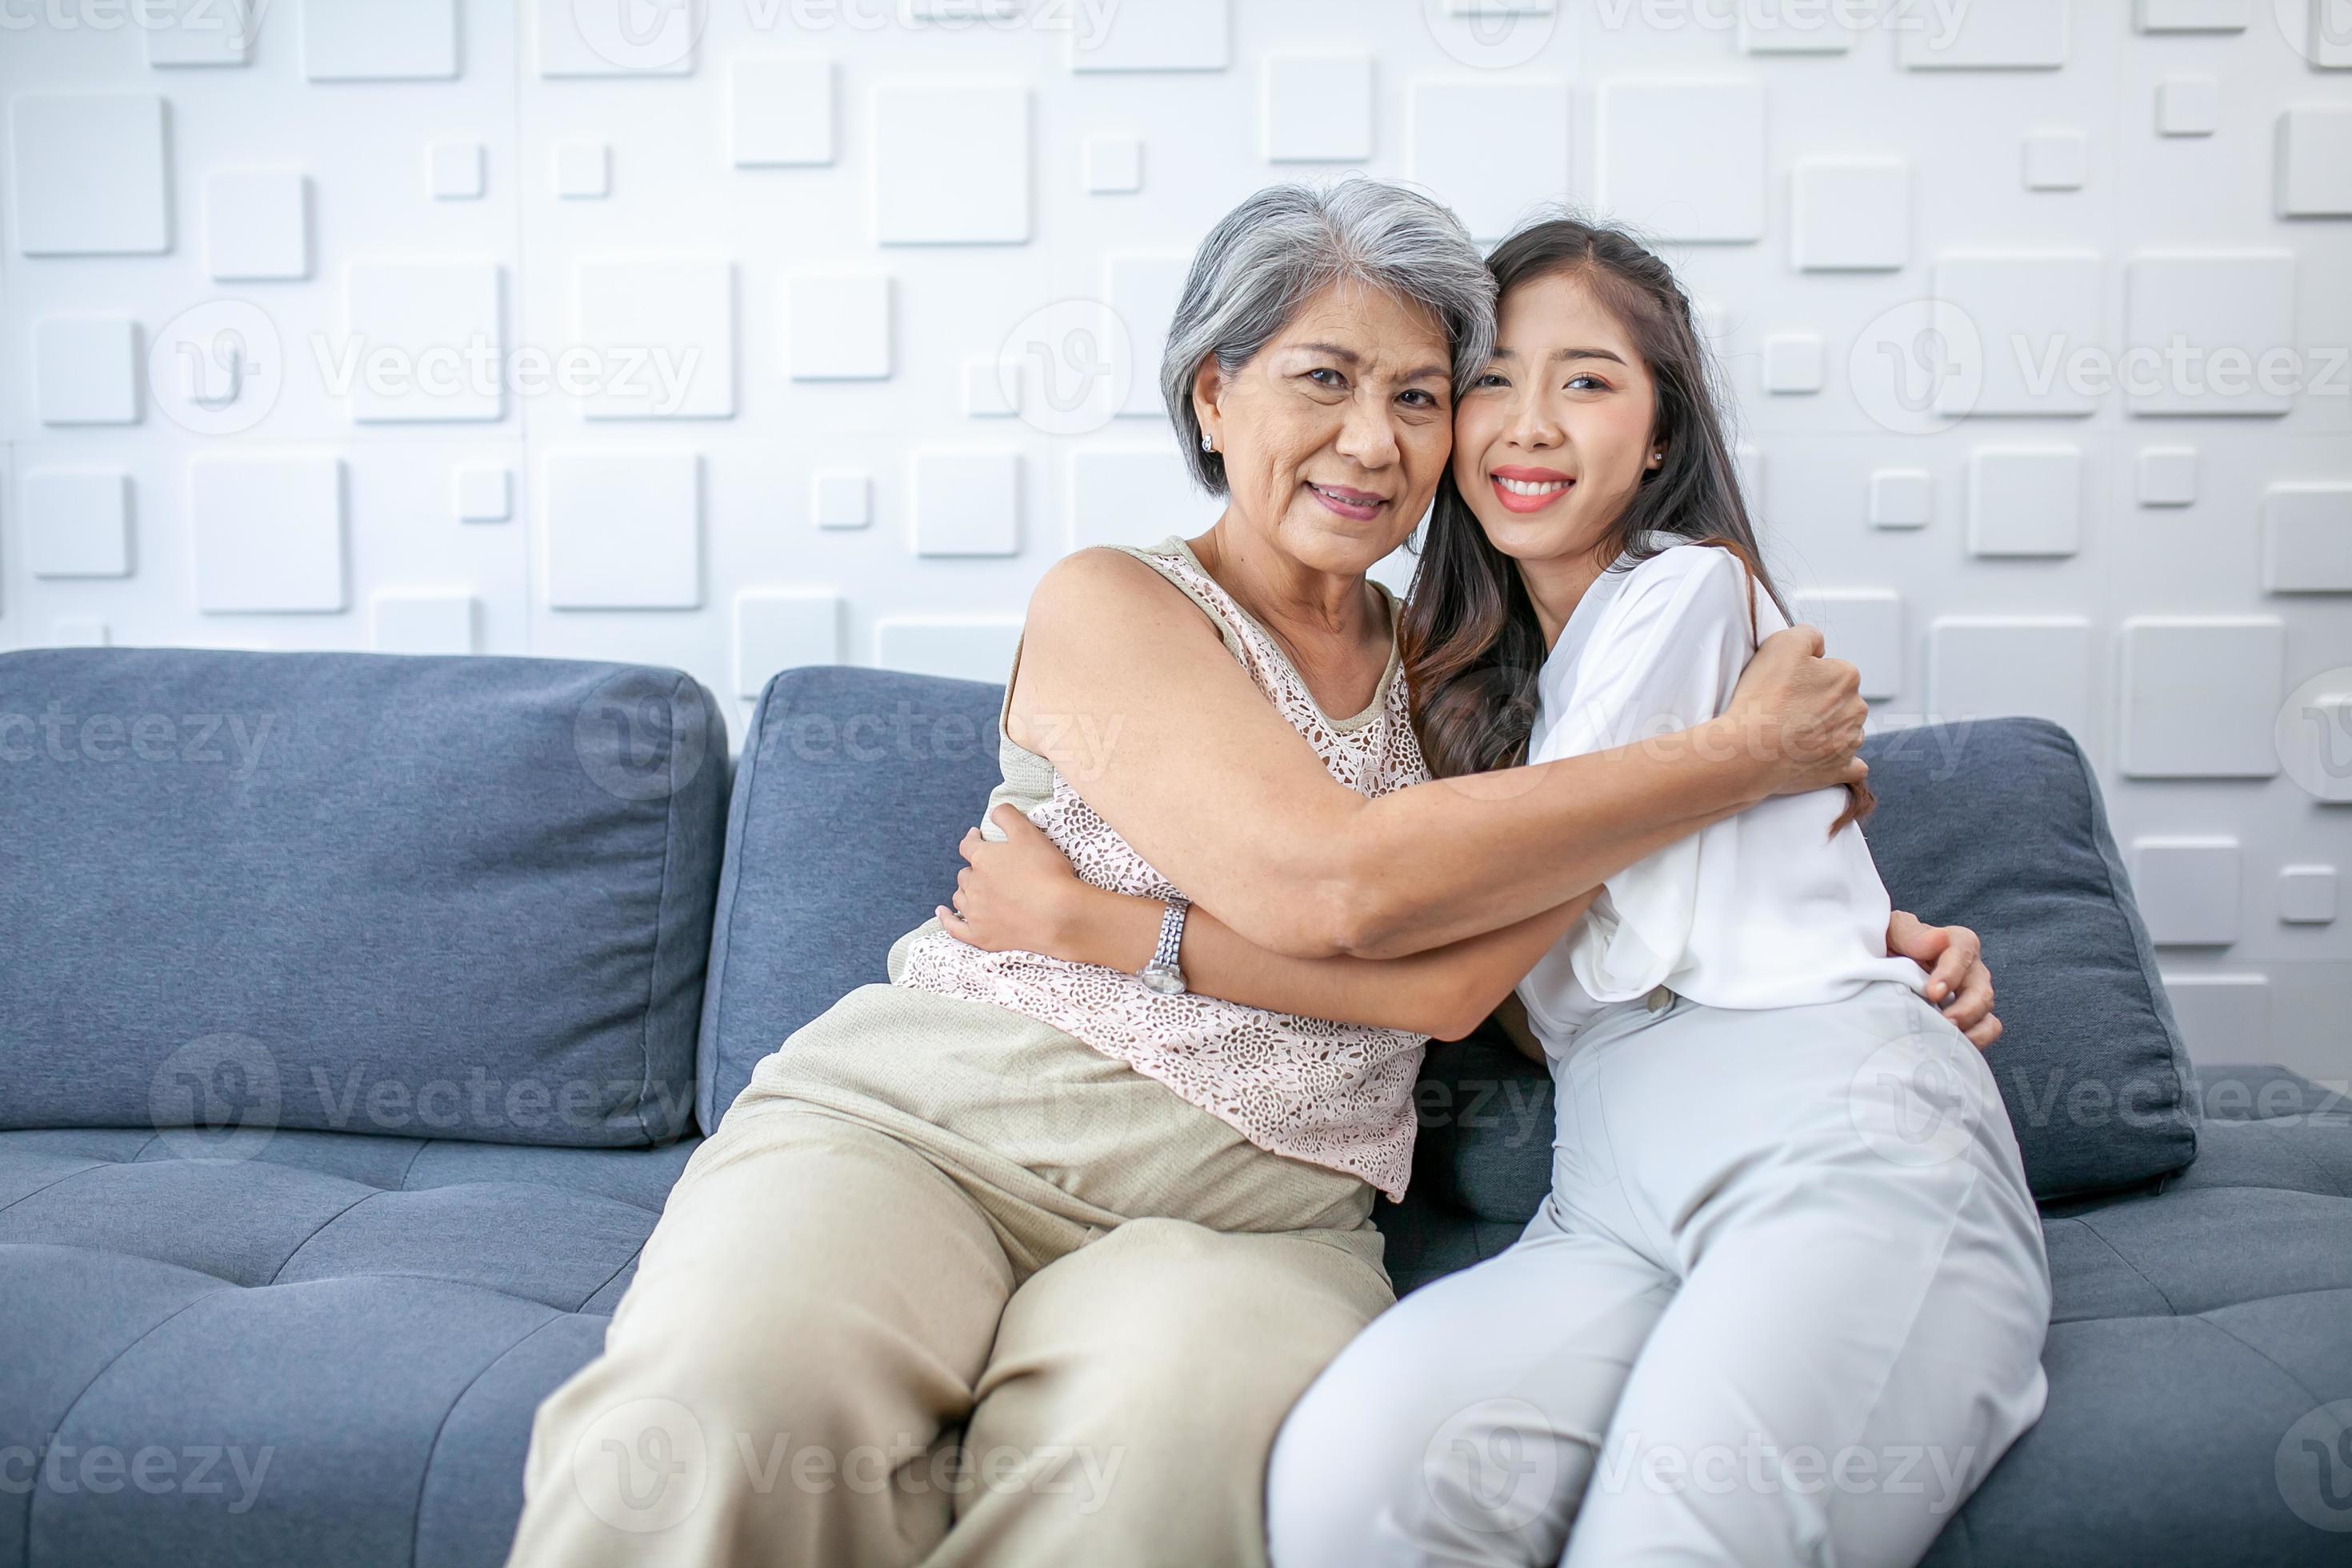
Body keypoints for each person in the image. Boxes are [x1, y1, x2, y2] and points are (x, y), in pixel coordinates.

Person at [506, 182, 1981, 1568]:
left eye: (1417, 396)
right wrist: (1743, 753)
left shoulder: (1462, 683)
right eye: (1322, 380)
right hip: (929, 1130)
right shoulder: (1115, 602)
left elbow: (1491, 974)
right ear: (1215, 395)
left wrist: (1846, 931)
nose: (1372, 441)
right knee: (720, 1414)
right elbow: (1335, 888)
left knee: (1153, 1458)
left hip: (1260, 1216)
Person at [938, 212, 2043, 1568]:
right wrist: (1780, 823)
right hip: (1613, 1183)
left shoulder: (1692, 597)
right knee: (1356, 1494)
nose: (1526, 422)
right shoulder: (1473, 714)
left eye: (1587, 382)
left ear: (1660, 437)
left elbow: (1437, 928)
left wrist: (1094, 927)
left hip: (1828, 1132)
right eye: (1487, 384)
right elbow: (1491, 940)